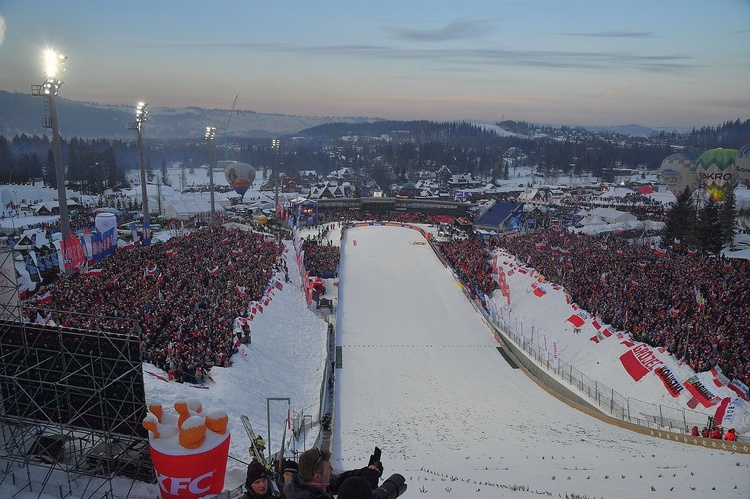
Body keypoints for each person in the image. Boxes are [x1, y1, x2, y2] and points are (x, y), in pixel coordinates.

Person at [284, 447, 381, 499]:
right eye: (328, 468)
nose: (332, 469)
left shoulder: (303, 483)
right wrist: (366, 486)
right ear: (317, 477)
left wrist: (365, 473)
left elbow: (339, 480)